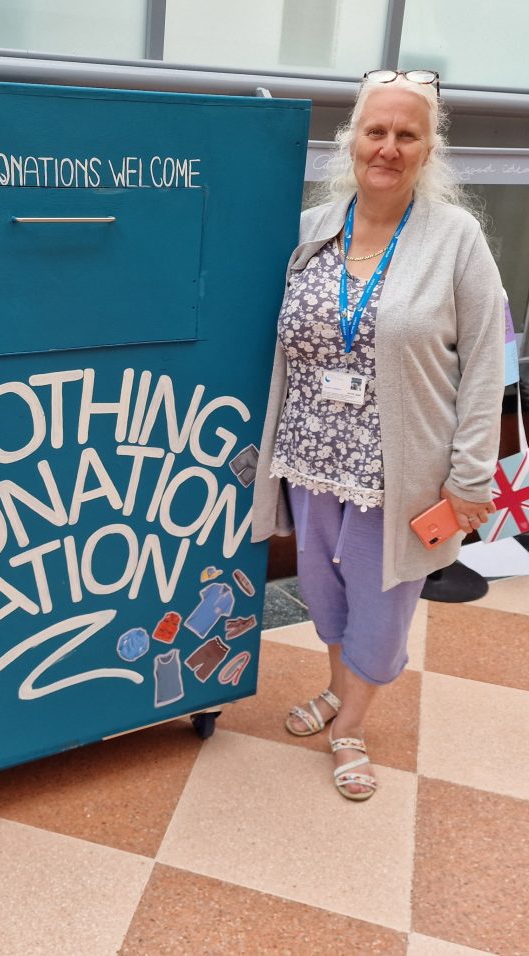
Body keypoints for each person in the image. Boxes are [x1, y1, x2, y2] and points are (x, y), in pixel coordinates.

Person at [253, 70, 504, 801]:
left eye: (407, 135)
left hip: (400, 470)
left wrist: (469, 478)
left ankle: (351, 725)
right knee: (325, 592)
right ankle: (338, 689)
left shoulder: (454, 238)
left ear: (429, 150)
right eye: (376, 131)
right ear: (351, 142)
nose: (388, 147)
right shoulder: (313, 229)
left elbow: (488, 360)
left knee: (382, 597)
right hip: (311, 456)